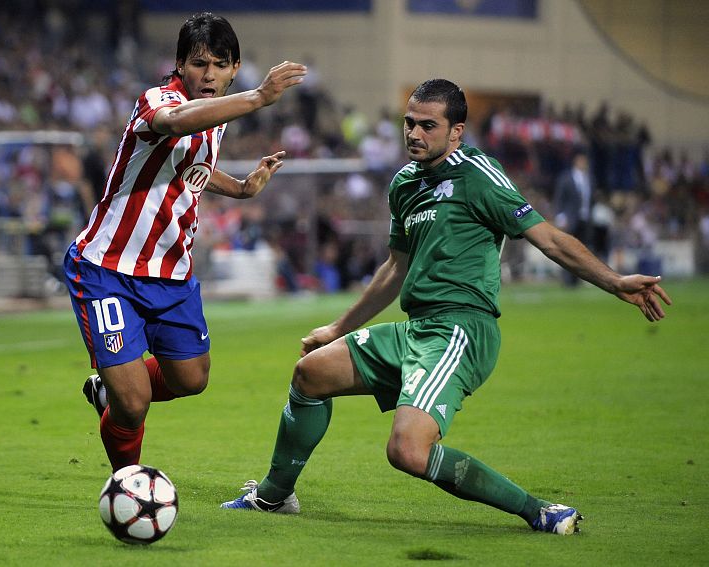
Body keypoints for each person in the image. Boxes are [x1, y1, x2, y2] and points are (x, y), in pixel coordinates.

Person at [220, 79, 671, 535]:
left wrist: (614, 281)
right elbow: (395, 269)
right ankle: (275, 496)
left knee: (407, 451)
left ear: (456, 131)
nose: (414, 133)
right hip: (417, 329)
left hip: (460, 331)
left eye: (428, 125)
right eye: (409, 123)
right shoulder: (404, 184)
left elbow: (548, 238)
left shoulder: (478, 173)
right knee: (311, 374)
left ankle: (539, 510)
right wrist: (338, 328)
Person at [64, 12, 306, 472]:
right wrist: (257, 97)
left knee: (191, 378)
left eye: (220, 65)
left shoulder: (215, 116)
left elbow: (189, 166)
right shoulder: (159, 101)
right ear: (180, 64)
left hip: (171, 275)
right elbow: (175, 124)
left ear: (234, 68)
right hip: (108, 269)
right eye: (199, 63)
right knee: (133, 403)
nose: (209, 75)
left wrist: (241, 188)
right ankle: (128, 483)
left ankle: (109, 390)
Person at [554, 149, 594, 286]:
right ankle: (567, 279)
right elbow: (559, 198)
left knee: (582, 249)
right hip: (571, 219)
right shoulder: (566, 178)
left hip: (585, 219)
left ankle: (578, 278)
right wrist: (560, 216)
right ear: (576, 161)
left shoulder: (590, 178)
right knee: (568, 249)